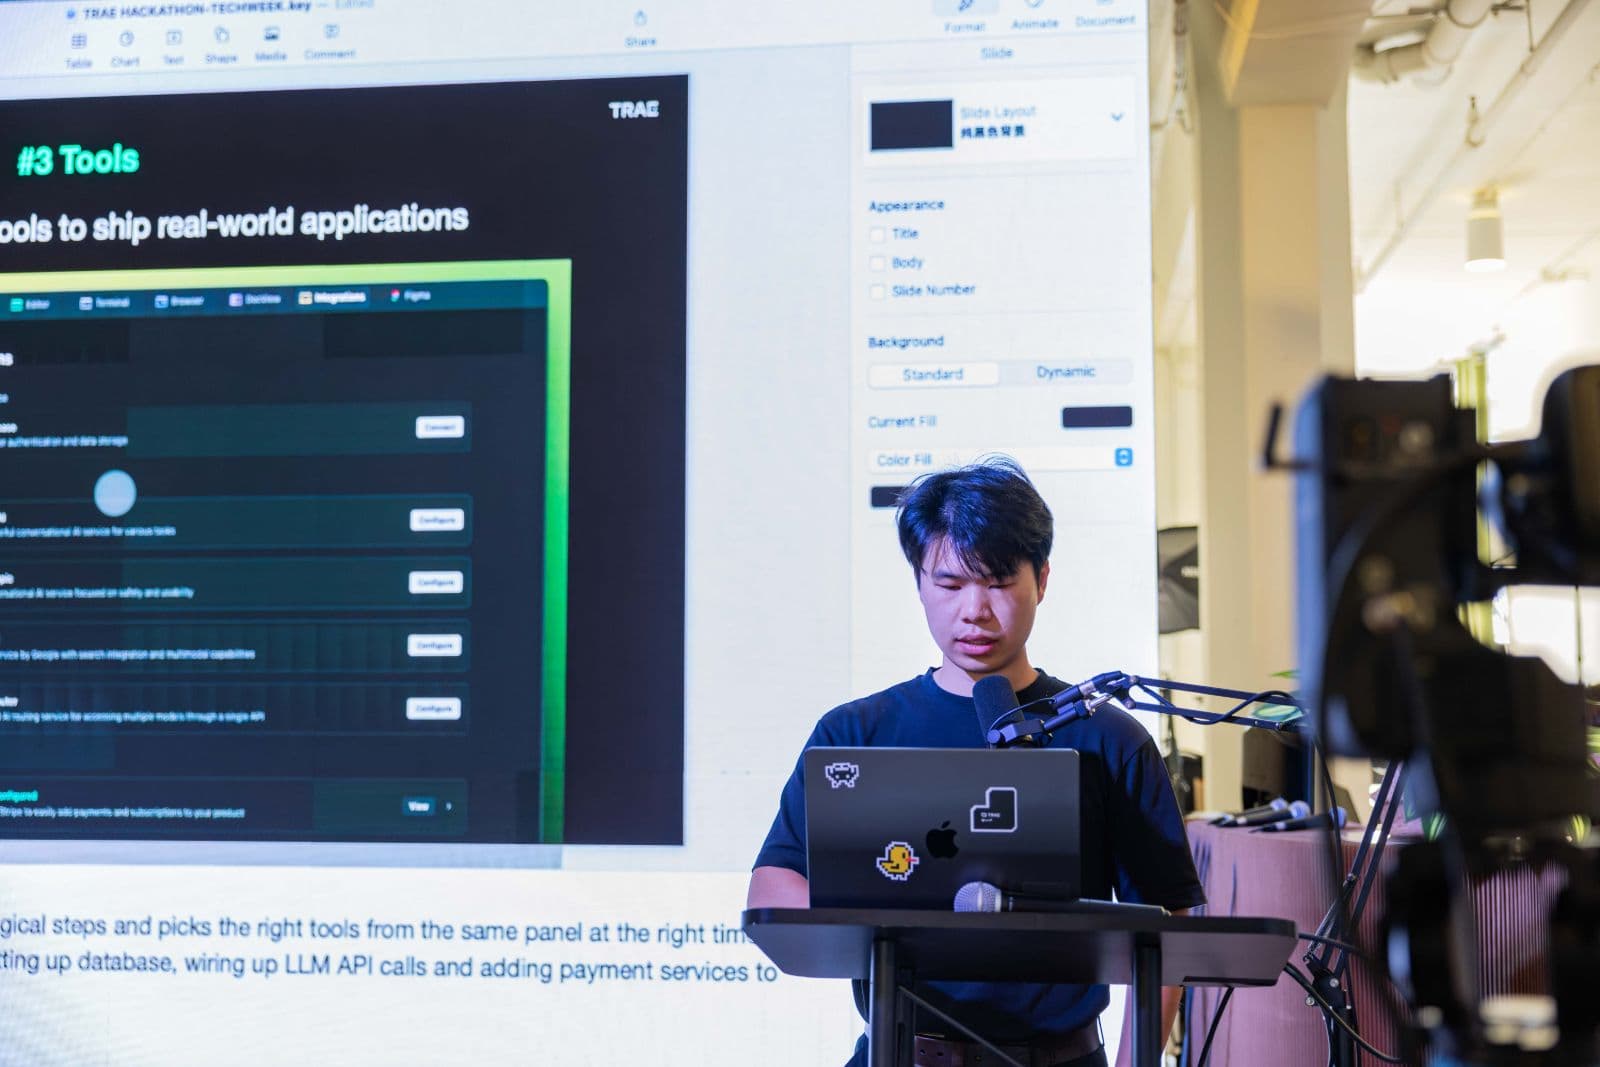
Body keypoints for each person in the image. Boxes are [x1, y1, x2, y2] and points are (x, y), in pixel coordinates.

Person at [747, 457, 1205, 1067]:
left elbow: (1168, 920)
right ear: (919, 583)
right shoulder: (856, 732)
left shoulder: (1108, 739)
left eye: (996, 582)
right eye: (950, 584)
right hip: (900, 1051)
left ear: (1041, 580)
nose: (974, 611)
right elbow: (772, 883)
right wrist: (882, 916)